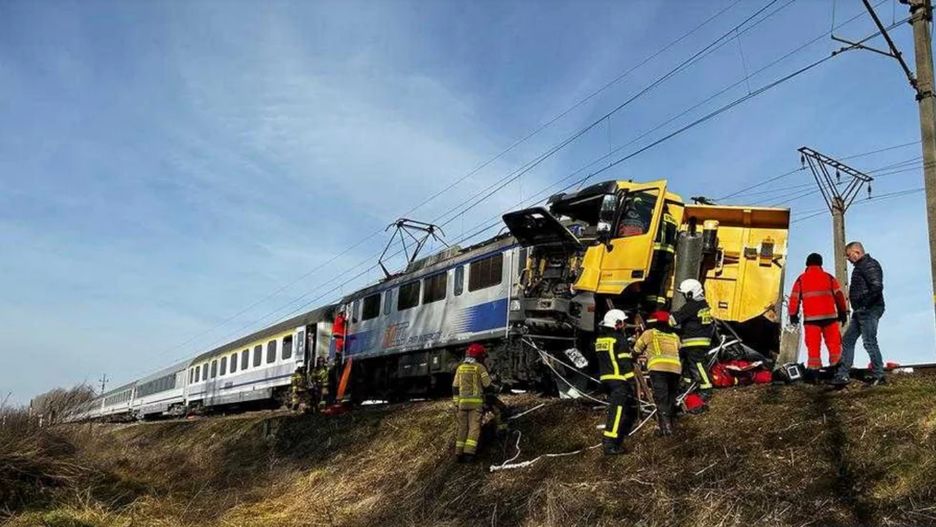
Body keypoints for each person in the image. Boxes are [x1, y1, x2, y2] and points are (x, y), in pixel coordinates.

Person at [833, 242, 887, 387]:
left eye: (848, 255)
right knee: (848, 340)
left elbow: (877, 286)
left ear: (856, 252)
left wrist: (864, 304)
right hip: (861, 311)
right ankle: (843, 375)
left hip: (869, 309)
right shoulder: (861, 266)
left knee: (869, 341)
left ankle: (879, 376)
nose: (848, 259)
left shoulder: (869, 264)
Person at [788, 253, 848, 375]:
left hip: (811, 320)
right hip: (830, 318)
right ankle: (837, 370)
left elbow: (794, 298)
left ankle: (814, 372)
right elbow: (839, 296)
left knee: (813, 348)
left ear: (807, 264)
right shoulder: (829, 277)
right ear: (821, 264)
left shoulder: (801, 279)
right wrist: (842, 312)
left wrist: (793, 315)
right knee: (834, 346)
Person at [595, 309, 638, 455]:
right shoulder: (619, 339)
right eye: (623, 322)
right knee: (617, 411)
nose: (624, 325)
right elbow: (624, 361)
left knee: (614, 409)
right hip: (618, 380)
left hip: (605, 379)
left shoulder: (600, 339)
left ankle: (610, 440)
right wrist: (631, 380)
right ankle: (610, 444)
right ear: (616, 323)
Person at [633, 310, 682, 436]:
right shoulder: (674, 336)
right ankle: (670, 423)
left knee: (661, 397)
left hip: (658, 368)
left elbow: (636, 350)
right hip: (675, 369)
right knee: (671, 397)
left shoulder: (649, 333)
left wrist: (631, 359)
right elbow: (680, 350)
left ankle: (666, 427)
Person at [672, 279, 715, 401]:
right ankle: (688, 386)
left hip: (694, 341)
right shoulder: (703, 304)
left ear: (691, 293)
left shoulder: (692, 306)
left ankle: (706, 388)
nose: (684, 296)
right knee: (686, 364)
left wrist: (660, 320)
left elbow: (674, 320)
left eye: (685, 294)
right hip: (699, 340)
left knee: (698, 364)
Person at [452, 343, 493, 462]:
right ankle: (469, 453)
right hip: (475, 404)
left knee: (462, 428)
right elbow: (487, 384)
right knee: (474, 428)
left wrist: (456, 402)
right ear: (479, 356)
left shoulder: (460, 368)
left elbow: (455, 386)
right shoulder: (479, 367)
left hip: (462, 404)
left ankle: (458, 453)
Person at [643, 205, 679, 310]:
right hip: (669, 254)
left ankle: (649, 305)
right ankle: (660, 305)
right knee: (662, 281)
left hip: (657, 251)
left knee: (651, 279)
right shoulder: (674, 220)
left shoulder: (656, 215)